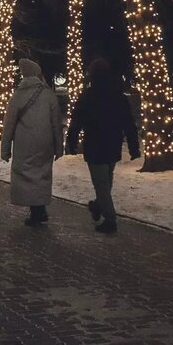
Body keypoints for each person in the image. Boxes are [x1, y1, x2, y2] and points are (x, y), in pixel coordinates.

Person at [67, 58, 140, 234]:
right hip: (113, 144)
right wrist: (133, 146)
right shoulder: (118, 96)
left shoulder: (88, 96)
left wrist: (71, 142)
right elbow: (129, 123)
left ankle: (110, 219)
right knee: (106, 181)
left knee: (102, 184)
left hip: (94, 144)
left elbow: (76, 121)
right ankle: (99, 205)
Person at [0, 58, 63, 227]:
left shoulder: (18, 95)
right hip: (45, 142)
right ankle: (39, 208)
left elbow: (9, 125)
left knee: (26, 175)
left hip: (24, 143)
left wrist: (5, 149)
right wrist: (59, 146)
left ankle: (36, 211)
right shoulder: (49, 95)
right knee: (42, 174)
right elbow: (57, 123)